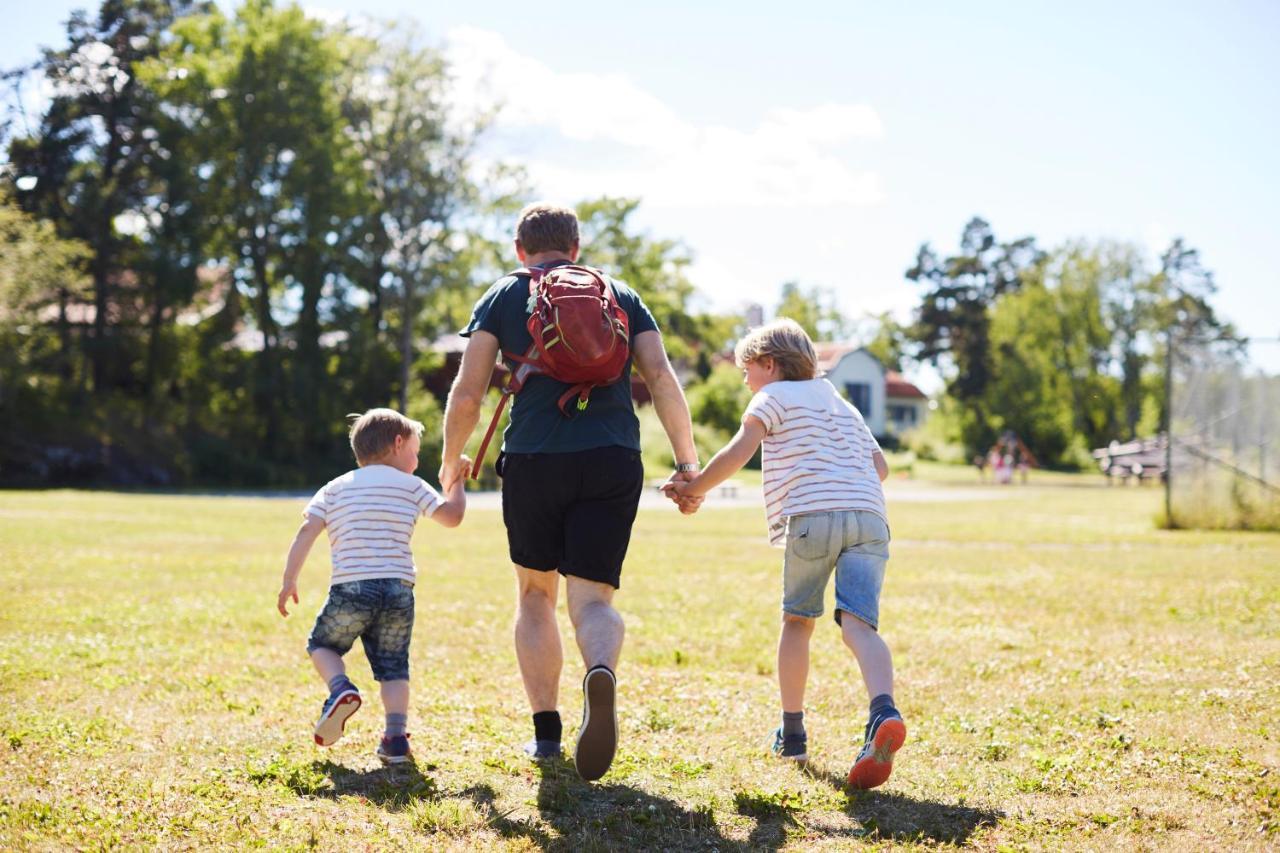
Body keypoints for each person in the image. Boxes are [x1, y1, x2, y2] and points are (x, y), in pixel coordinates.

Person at [439, 202, 701, 782]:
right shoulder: (620, 293)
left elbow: (468, 389)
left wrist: (451, 458)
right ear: (576, 249)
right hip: (612, 457)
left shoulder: (505, 294)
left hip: (535, 458)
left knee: (535, 596)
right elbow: (660, 377)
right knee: (593, 601)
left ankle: (546, 734)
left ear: (519, 249)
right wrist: (688, 463)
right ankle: (600, 670)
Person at [666, 319, 906, 790]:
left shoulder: (771, 397)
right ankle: (883, 710)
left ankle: (792, 735)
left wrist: (694, 487)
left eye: (747, 370)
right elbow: (880, 467)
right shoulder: (842, 404)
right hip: (869, 517)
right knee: (859, 626)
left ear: (770, 365)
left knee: (798, 621)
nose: (745, 380)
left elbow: (741, 450)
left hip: (813, 517)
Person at [277, 408, 469, 765]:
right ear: (397, 443)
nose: (416, 460)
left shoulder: (335, 487)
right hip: (398, 591)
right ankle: (395, 739)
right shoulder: (413, 486)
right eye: (415, 451)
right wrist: (456, 481)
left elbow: (307, 530)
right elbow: (452, 516)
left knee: (322, 645)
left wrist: (290, 580)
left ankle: (340, 688)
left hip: (352, 589)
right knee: (394, 666)